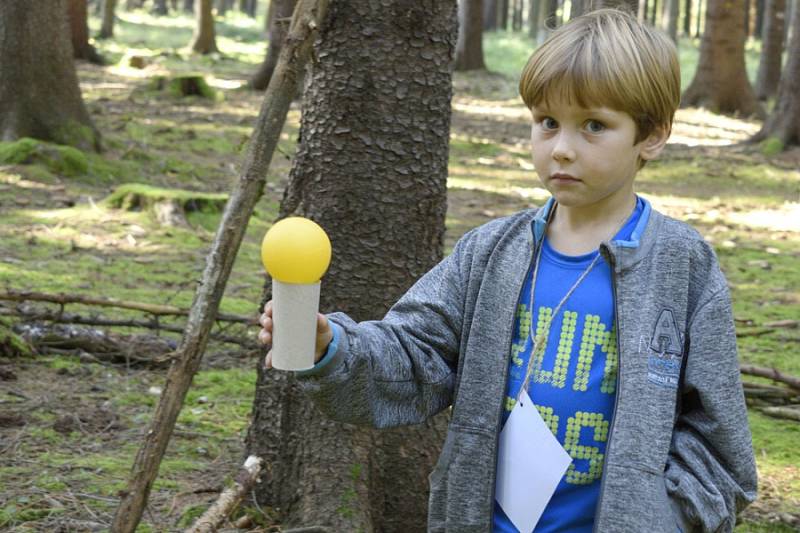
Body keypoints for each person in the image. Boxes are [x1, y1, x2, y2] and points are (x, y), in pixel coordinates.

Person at [258, 8, 757, 532]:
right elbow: (414, 353)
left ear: (651, 136)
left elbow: (719, 443)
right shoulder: (491, 252)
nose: (561, 148)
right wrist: (332, 348)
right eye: (547, 122)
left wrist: (662, 517)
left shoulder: (682, 267)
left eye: (594, 126)